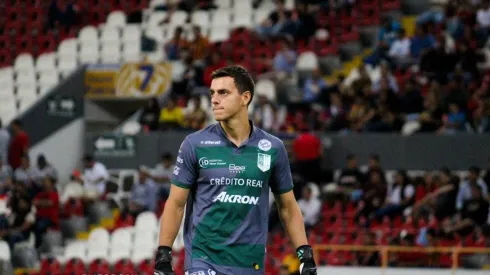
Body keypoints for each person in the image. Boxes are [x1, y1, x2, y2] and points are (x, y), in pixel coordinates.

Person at [154, 65, 317, 275]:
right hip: (203, 260)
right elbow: (176, 204)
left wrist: (304, 253)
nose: (214, 99)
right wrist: (163, 255)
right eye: (212, 93)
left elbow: (287, 206)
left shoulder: (273, 148)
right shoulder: (194, 144)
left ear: (245, 97)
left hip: (250, 264)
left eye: (223, 93)